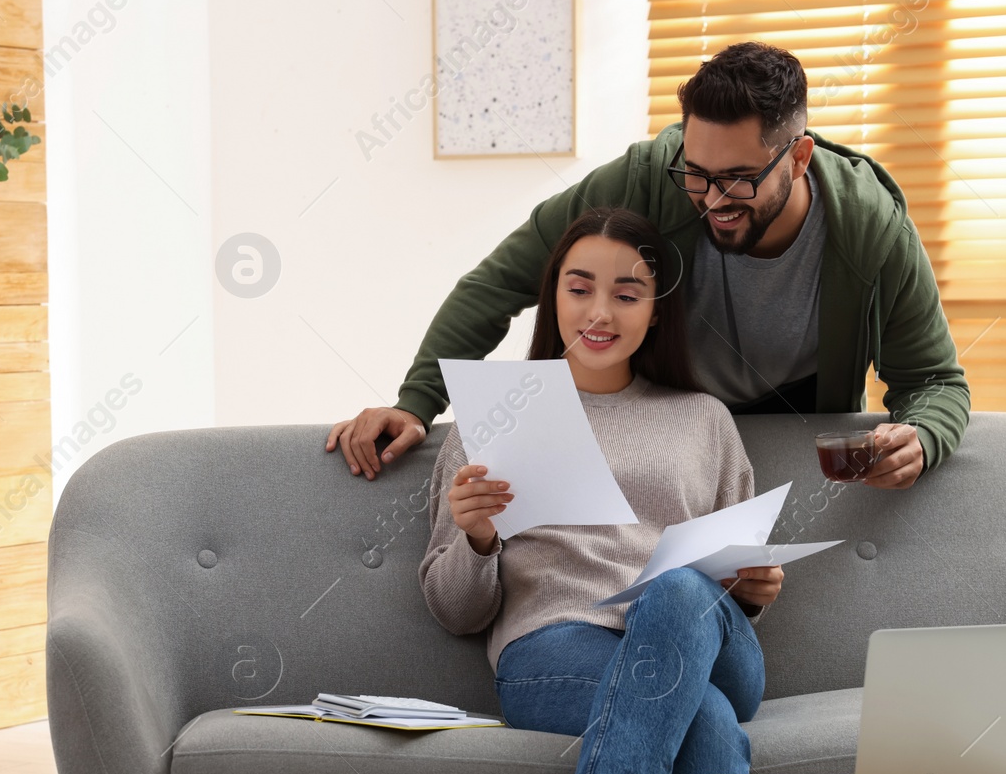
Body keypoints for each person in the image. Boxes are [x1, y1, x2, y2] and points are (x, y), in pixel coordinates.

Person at [330, 41, 969, 489]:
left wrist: (921, 436)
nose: (714, 200)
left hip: (793, 439)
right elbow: (499, 282)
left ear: (799, 158)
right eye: (698, 173)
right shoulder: (648, 177)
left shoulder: (870, 228)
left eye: (740, 179)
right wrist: (416, 404)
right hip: (662, 438)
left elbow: (935, 382)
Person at [420, 207, 775, 774]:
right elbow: (453, 607)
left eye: (627, 292)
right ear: (553, 300)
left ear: (657, 308)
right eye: (579, 289)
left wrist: (752, 586)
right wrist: (478, 538)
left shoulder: (702, 419)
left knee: (679, 586)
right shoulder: (496, 417)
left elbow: (732, 571)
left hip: (704, 639)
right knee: (707, 723)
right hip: (555, 652)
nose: (600, 312)